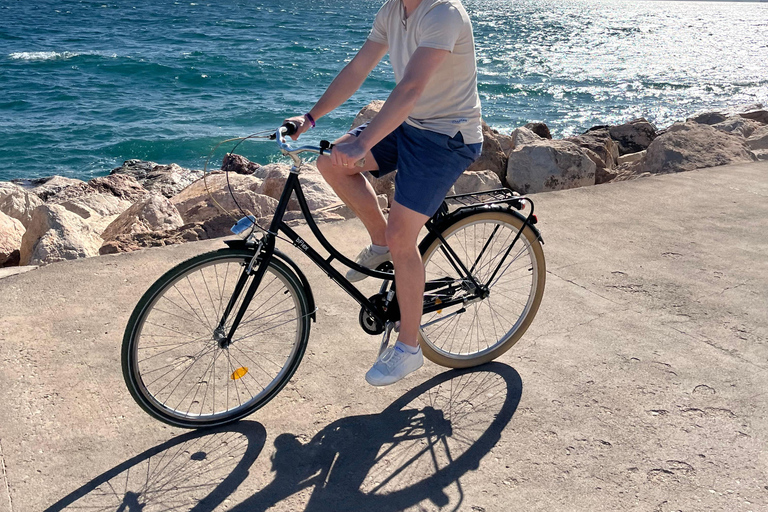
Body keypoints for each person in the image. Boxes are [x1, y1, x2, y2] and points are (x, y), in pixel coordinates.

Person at [284, 0, 482, 386]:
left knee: (402, 236)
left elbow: (411, 86)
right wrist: (309, 118)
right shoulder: (392, 11)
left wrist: (364, 143)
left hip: (447, 137)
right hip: (408, 126)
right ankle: (380, 242)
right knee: (329, 164)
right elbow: (358, 69)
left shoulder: (444, 13)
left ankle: (409, 349)